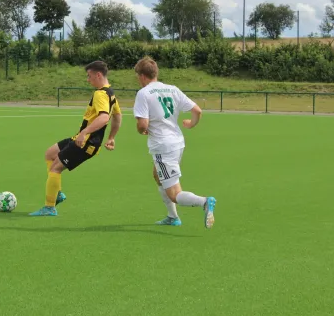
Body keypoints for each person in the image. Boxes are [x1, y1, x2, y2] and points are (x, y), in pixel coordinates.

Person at [132, 56, 216, 229]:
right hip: (178, 143)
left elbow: (142, 125)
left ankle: (205, 202)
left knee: (174, 193)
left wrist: (141, 130)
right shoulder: (172, 89)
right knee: (158, 175)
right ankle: (172, 216)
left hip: (163, 146)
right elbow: (197, 111)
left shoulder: (144, 93)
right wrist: (191, 123)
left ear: (141, 75)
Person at [30, 60, 122, 216]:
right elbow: (118, 116)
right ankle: (57, 192)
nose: (88, 80)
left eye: (89, 76)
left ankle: (49, 207)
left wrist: (84, 132)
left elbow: (104, 118)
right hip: (82, 138)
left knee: (55, 168)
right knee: (50, 154)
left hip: (87, 142)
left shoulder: (100, 94)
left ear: (98, 75)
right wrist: (111, 137)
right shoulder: (110, 93)